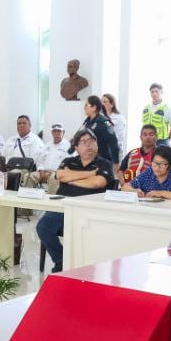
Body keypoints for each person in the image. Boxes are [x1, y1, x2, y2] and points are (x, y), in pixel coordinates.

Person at [36, 130, 116, 273]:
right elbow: (60, 175)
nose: (88, 144)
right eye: (83, 142)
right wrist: (89, 174)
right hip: (63, 206)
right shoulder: (68, 161)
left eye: (91, 140)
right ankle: (61, 261)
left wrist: (71, 179)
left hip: (89, 210)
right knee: (43, 227)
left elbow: (97, 183)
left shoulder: (105, 164)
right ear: (76, 147)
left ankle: (77, 264)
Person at [24, 123, 71, 190]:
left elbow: (68, 164)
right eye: (54, 131)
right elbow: (40, 161)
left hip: (56, 173)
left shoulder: (68, 146)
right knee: (28, 177)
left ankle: (50, 199)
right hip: (43, 172)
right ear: (52, 133)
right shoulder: (47, 145)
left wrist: (53, 172)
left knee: (54, 179)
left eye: (59, 131)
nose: (57, 133)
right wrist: (41, 170)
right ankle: (27, 198)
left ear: (63, 132)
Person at [81, 95, 119, 163]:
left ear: (94, 107)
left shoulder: (105, 122)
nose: (84, 108)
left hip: (103, 161)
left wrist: (116, 162)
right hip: (90, 160)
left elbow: (113, 142)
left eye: (86, 105)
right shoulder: (87, 122)